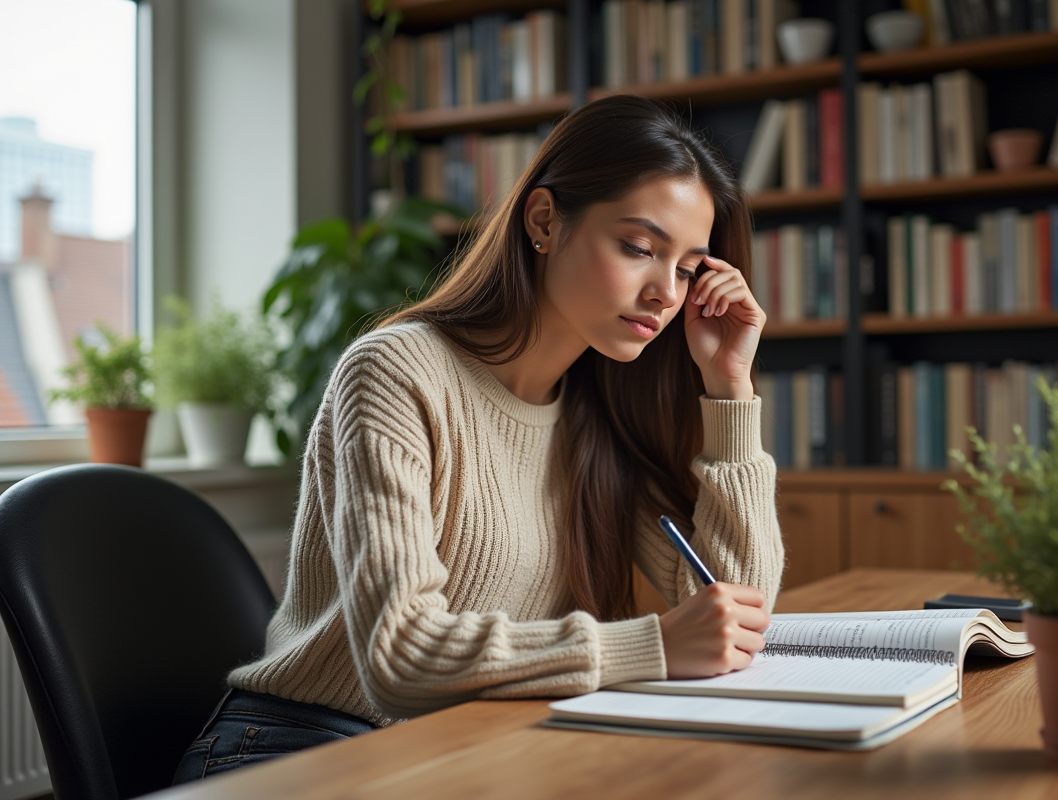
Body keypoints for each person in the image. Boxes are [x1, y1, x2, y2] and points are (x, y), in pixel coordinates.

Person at [173, 94, 784, 784]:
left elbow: (737, 609)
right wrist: (652, 647)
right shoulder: (396, 372)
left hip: (470, 747)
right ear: (545, 221)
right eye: (639, 248)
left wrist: (731, 388)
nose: (664, 294)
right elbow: (400, 658)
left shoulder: (599, 411)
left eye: (685, 268)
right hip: (300, 749)